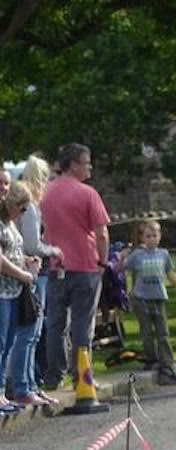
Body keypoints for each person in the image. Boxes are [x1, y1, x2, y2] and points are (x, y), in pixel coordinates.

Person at [40, 143, 110, 392]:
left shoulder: (46, 193)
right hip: (85, 265)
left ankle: (53, 375)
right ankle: (82, 376)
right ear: (74, 165)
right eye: (87, 162)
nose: (90, 166)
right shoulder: (88, 193)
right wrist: (103, 261)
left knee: (57, 323)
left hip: (57, 266)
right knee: (83, 324)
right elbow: (101, 233)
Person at [10, 156, 61, 407]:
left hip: (32, 271)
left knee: (34, 332)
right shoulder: (30, 206)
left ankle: (30, 385)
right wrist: (54, 251)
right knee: (29, 333)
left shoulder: (28, 204)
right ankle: (23, 387)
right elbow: (32, 244)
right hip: (33, 271)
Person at [121, 219, 176, 385]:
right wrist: (123, 258)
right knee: (146, 332)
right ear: (142, 238)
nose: (152, 239)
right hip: (141, 298)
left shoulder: (163, 254)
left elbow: (170, 275)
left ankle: (167, 363)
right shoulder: (138, 255)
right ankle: (151, 358)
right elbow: (125, 270)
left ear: (160, 236)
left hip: (158, 297)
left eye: (155, 235)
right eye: (148, 236)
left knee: (163, 332)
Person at [0, 182, 37, 416]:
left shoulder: (10, 225)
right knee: (1, 343)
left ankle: (2, 392)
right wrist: (22, 274)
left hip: (14, 291)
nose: (23, 214)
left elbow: (12, 254)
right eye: (22, 209)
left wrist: (27, 260)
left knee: (9, 343)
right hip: (3, 291)